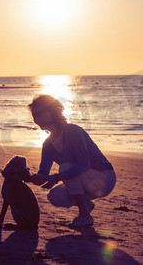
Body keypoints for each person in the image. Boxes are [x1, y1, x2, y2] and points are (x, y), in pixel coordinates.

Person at [29, 95, 116, 227]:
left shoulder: (73, 131)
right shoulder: (47, 144)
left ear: (53, 111)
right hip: (84, 183)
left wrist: (57, 177)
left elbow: (84, 165)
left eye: (39, 113)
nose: (36, 118)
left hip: (104, 178)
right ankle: (86, 205)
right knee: (54, 196)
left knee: (65, 167)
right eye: (34, 115)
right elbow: (43, 175)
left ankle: (84, 216)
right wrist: (29, 177)